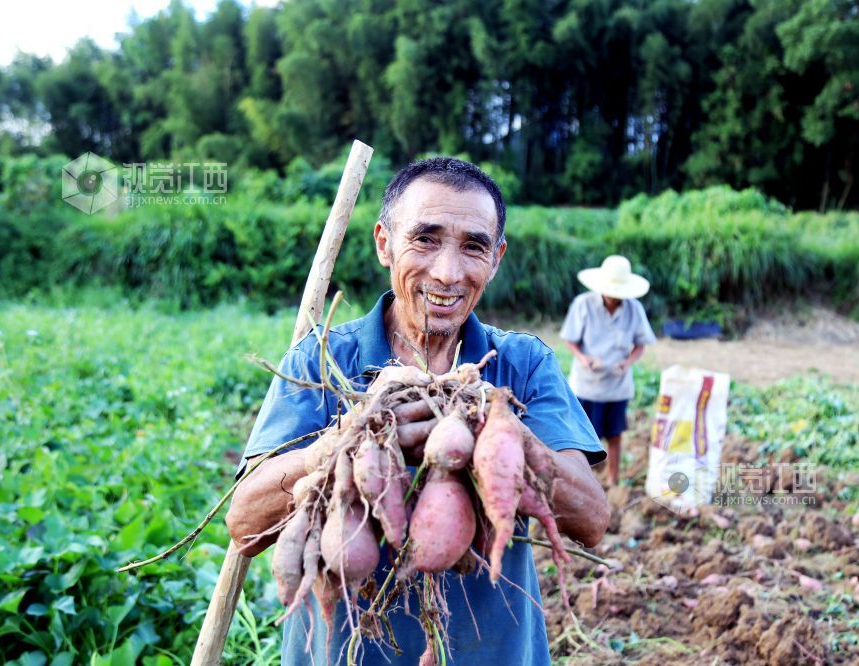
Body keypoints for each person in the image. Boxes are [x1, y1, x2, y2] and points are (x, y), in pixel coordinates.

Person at [225, 157, 609, 665]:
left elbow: (591, 519)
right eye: (425, 239)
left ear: (496, 259)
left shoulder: (522, 364)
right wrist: (346, 441)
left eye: (473, 246)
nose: (448, 273)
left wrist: (496, 432)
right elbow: (245, 524)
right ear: (384, 243)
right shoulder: (321, 361)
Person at [560, 255, 657, 486]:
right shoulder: (583, 304)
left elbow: (640, 344)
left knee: (615, 435)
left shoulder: (634, 309)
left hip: (617, 385)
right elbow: (570, 340)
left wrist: (627, 362)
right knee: (583, 437)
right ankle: (585, 481)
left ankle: (613, 480)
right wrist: (583, 359)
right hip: (587, 384)